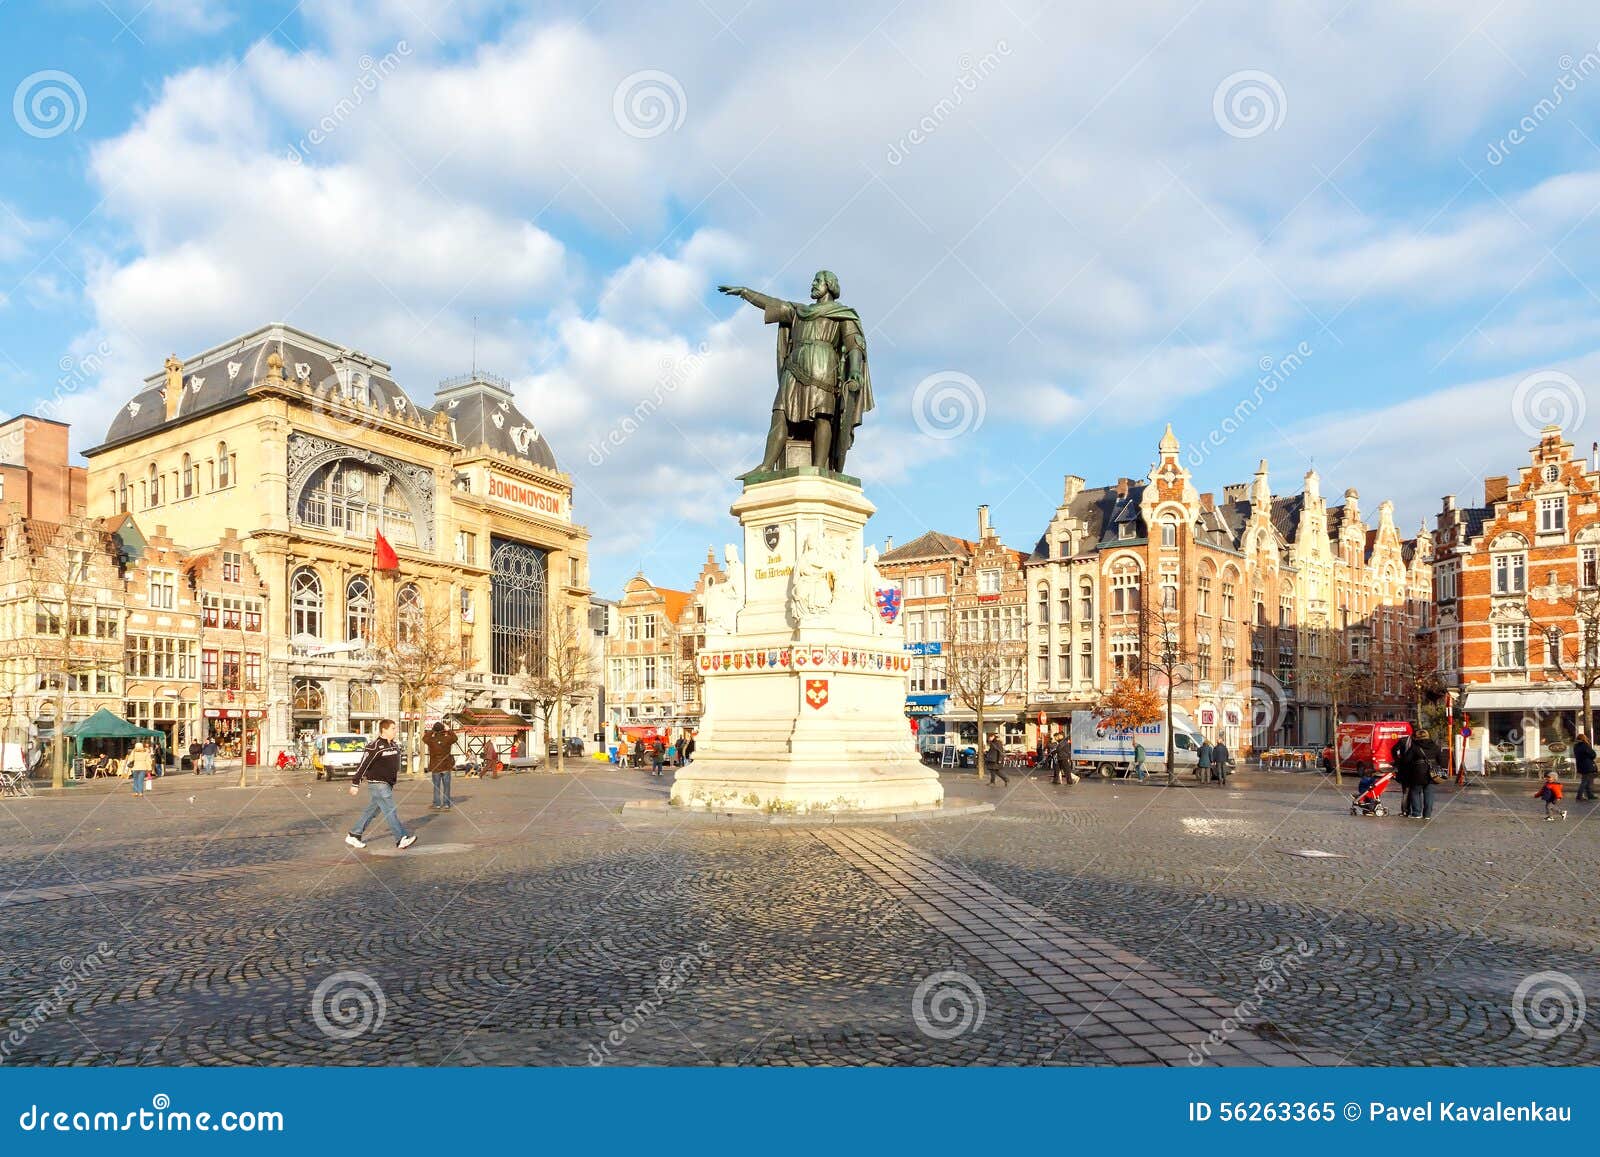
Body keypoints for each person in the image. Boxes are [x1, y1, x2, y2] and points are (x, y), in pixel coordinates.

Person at [344, 719, 416, 850]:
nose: (395, 731)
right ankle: (401, 838)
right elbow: (363, 765)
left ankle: (354, 834)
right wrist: (355, 783)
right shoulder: (374, 746)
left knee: (372, 811)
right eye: (393, 729)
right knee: (390, 810)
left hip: (388, 784)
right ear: (384, 730)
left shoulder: (393, 745)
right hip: (378, 784)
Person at [424, 721, 457, 811]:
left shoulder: (431, 740)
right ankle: (446, 804)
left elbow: (424, 738)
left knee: (436, 786)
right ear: (443, 730)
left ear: (434, 730)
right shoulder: (447, 739)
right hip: (446, 766)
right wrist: (449, 730)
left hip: (435, 766)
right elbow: (455, 738)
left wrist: (432, 731)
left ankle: (437, 804)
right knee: (447, 786)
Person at [1574, 732, 1598, 802]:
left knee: (1588, 781)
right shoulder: (1585, 745)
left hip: (1581, 765)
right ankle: (1579, 796)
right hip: (1587, 765)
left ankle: (1590, 795)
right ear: (1584, 738)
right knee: (1585, 782)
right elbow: (1593, 754)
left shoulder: (1576, 746)